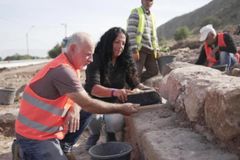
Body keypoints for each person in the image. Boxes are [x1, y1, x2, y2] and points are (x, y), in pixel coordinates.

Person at [14, 32, 139, 160]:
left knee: (84, 110)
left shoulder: (73, 67)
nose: (91, 60)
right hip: (34, 137)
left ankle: (64, 145)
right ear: (73, 49)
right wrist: (121, 108)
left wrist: (74, 106)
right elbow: (88, 103)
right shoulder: (63, 71)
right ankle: (24, 152)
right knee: (88, 107)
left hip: (50, 129)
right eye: (88, 54)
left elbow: (82, 97)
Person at [84, 27, 150, 150]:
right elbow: (93, 88)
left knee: (114, 122)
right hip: (96, 101)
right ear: (108, 42)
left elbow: (136, 84)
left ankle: (110, 134)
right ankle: (95, 134)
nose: (120, 46)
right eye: (117, 42)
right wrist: (115, 92)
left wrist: (147, 89)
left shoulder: (124, 60)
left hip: (115, 103)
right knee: (92, 118)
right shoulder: (96, 58)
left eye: (123, 43)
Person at [127, 0, 160, 82]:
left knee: (154, 71)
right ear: (142, 1)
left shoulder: (152, 16)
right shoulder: (136, 12)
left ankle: (138, 82)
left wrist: (157, 48)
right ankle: (128, 91)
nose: (148, 2)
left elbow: (153, 34)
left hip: (150, 49)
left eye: (151, 0)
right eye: (146, 0)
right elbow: (131, 32)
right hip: (139, 49)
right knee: (135, 73)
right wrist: (134, 50)